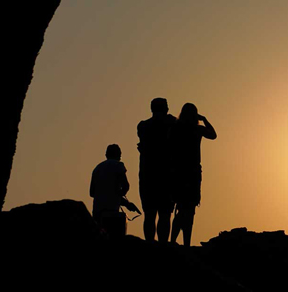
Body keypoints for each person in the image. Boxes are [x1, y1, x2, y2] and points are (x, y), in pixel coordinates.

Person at [169, 103, 217, 246]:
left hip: (178, 171)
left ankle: (173, 240)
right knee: (189, 210)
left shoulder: (175, 128)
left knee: (181, 208)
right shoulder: (197, 129)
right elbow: (213, 135)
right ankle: (186, 243)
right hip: (192, 172)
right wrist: (204, 119)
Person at [137, 97, 177, 241]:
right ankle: (163, 246)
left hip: (148, 175)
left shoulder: (143, 126)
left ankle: (149, 244)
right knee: (165, 214)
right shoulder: (172, 124)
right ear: (166, 109)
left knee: (149, 214)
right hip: (167, 175)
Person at [90, 144, 139, 237]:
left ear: (106, 155)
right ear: (118, 155)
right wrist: (122, 198)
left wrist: (124, 202)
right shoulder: (118, 165)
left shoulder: (97, 168)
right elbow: (126, 186)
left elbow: (92, 193)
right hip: (112, 213)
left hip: (97, 212)